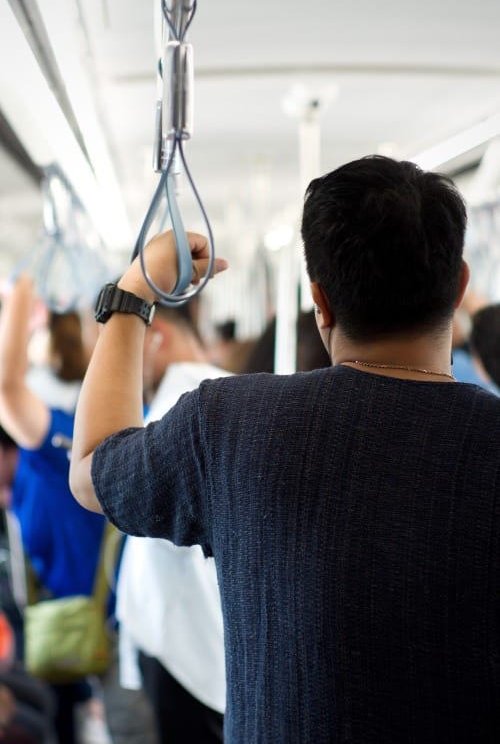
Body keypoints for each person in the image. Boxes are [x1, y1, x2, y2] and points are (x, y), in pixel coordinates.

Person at [70, 156, 500, 743]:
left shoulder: (231, 425)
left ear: (319, 301)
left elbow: (93, 467)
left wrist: (133, 294)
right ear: (458, 287)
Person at [0, 276, 106, 744]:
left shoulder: (51, 450)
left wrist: (25, 282)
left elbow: (6, 387)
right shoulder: (22, 484)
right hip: (62, 634)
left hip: (101, 635)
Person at [116, 302, 227, 743]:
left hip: (182, 639)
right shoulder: (212, 395)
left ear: (156, 335)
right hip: (198, 634)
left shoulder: (184, 398)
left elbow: (116, 489)